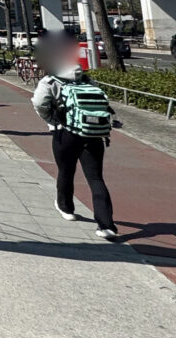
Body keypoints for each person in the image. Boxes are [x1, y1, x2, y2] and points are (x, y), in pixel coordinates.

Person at [32, 59, 118, 239]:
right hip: (93, 135)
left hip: (66, 133)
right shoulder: (86, 80)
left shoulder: (50, 81)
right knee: (95, 178)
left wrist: (52, 120)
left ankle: (66, 208)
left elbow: (39, 103)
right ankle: (106, 225)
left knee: (66, 170)